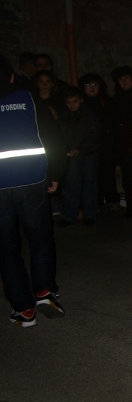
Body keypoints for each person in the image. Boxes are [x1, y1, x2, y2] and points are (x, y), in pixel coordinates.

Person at [0, 55, 66, 327]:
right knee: (39, 237)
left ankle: (23, 309)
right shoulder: (29, 99)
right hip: (31, 180)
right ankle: (44, 291)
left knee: (5, 248)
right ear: (12, 77)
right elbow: (52, 137)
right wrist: (55, 174)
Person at [57, 86, 100, 227]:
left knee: (89, 185)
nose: (72, 105)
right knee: (71, 185)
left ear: (81, 100)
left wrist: (81, 148)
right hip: (72, 155)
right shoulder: (63, 116)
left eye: (74, 101)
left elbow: (94, 135)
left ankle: (89, 215)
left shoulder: (89, 115)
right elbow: (61, 136)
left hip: (88, 154)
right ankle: (70, 215)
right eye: (69, 102)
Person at [79, 73, 120, 211]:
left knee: (107, 172)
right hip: (87, 145)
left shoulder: (106, 101)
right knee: (90, 174)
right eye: (88, 85)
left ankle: (112, 199)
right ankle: (94, 202)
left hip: (105, 143)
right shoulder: (80, 104)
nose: (92, 88)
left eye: (95, 85)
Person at [109, 66, 132, 218]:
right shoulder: (116, 100)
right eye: (120, 79)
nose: (124, 81)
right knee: (128, 179)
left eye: (126, 78)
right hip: (124, 146)